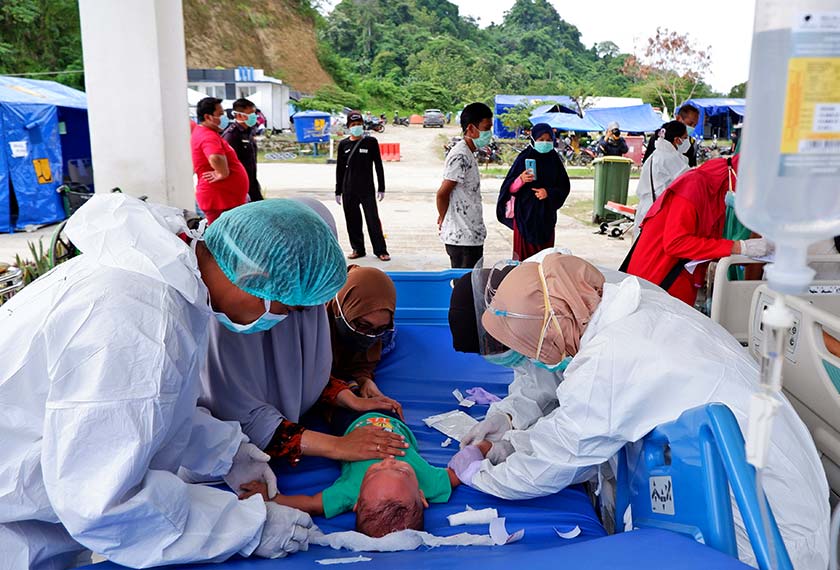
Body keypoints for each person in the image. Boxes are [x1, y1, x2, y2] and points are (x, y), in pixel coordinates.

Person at [0, 194, 349, 569]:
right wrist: (248, 527)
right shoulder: (142, 318)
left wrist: (227, 452)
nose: (281, 320)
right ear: (254, 278)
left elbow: (146, 410)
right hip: (15, 532)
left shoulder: (163, 281)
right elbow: (103, 503)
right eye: (286, 309)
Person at [447, 253, 829, 570]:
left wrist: (481, 475)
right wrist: (510, 423)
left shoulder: (609, 358)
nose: (528, 358)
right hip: (770, 462)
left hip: (765, 522)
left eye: (528, 347)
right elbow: (559, 393)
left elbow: (553, 459)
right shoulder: (596, 302)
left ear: (547, 330)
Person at [201, 198, 405, 470]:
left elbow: (306, 373)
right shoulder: (237, 318)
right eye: (292, 306)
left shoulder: (304, 301)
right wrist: (339, 446)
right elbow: (238, 414)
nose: (294, 314)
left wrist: (348, 397)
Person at [238, 411, 490, 537]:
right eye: (402, 470)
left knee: (323, 405)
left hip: (347, 426)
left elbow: (310, 505)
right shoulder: (433, 484)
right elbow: (461, 467)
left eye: (376, 471)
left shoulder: (347, 493)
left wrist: (270, 498)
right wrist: (487, 447)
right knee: (371, 393)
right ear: (422, 497)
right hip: (392, 419)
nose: (389, 460)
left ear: (356, 503)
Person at [622, 155, 770, 306]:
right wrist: (738, 247)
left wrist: (745, 254)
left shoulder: (716, 195)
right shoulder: (694, 185)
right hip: (657, 278)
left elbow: (705, 244)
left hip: (676, 281)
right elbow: (675, 243)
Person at [496, 122, 571, 260]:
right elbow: (509, 188)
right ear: (533, 139)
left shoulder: (555, 161)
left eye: (548, 140)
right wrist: (521, 179)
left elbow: (564, 187)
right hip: (524, 217)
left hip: (546, 219)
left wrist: (548, 193)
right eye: (541, 140)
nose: (545, 143)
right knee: (523, 261)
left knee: (544, 259)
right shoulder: (524, 157)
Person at [327, 265, 398, 401]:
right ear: (340, 309)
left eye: (379, 329)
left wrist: (364, 379)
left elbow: (365, 362)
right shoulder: (311, 325)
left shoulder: (383, 335)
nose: (369, 336)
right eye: (362, 325)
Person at [436, 102, 493, 269]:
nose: (488, 133)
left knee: (471, 286)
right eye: (486, 128)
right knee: (464, 288)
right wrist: (443, 217)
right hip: (462, 239)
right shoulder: (460, 155)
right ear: (471, 128)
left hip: (471, 234)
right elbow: (442, 193)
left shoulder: (469, 153)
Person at [335, 110, 390, 262]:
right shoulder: (343, 145)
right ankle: (357, 249)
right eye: (353, 124)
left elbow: (378, 165)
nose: (356, 127)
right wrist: (338, 190)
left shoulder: (371, 142)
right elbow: (339, 169)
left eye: (359, 124)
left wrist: (381, 187)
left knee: (372, 220)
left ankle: (381, 250)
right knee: (352, 221)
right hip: (348, 189)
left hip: (366, 190)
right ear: (348, 126)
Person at [191, 97, 249, 224]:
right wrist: (222, 173)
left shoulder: (205, 132)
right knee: (222, 237)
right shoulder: (208, 136)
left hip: (226, 199)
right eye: (220, 115)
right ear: (208, 117)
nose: (224, 118)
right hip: (220, 199)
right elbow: (215, 156)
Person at [633, 120, 691, 234]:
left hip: (647, 208)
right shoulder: (669, 157)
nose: (687, 141)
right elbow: (689, 180)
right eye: (685, 138)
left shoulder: (656, 154)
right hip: (657, 210)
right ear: (677, 140)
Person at [222, 97, 263, 203]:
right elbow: (229, 163)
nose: (254, 117)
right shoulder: (231, 135)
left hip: (252, 182)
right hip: (239, 185)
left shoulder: (249, 131)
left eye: (254, 114)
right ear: (239, 115)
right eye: (251, 114)